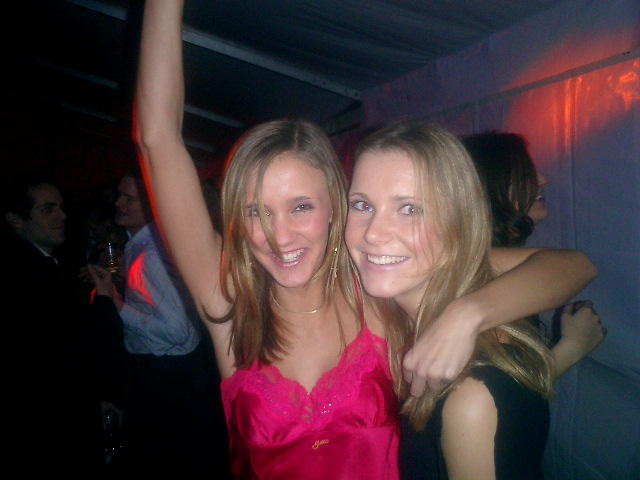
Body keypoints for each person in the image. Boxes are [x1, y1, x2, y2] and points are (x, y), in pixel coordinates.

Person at [133, 2, 595, 478]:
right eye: (257, 212)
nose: (279, 235)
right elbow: (157, 139)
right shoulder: (231, 306)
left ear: (336, 207)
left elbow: (571, 265)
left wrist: (468, 313)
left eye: (301, 206)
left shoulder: (375, 288)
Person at [344, 120, 595, 480]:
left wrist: (466, 315)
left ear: (458, 222)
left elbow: (578, 265)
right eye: (361, 204)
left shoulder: (470, 397)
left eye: (409, 208)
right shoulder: (398, 311)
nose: (373, 233)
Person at [109, 166, 231, 477]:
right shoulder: (141, 244)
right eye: (119, 196)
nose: (118, 203)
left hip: (166, 376)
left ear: (151, 205)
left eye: (129, 199)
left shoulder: (151, 253)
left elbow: (178, 330)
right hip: (172, 373)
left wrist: (117, 304)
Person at [462, 131, 605, 377]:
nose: (542, 180)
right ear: (488, 186)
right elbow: (501, 389)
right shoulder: (479, 271)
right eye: (524, 175)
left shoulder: (488, 260)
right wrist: (572, 347)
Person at [1, 173, 105, 475]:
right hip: (50, 419)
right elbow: (66, 349)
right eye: (48, 209)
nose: (62, 216)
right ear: (16, 220)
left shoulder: (42, 264)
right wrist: (105, 298)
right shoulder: (27, 274)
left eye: (60, 207)